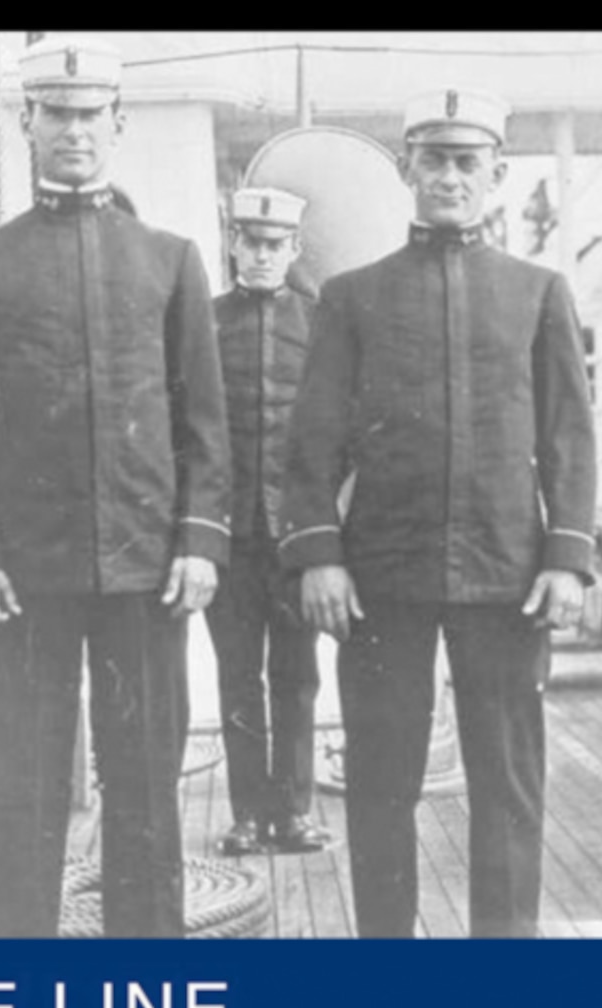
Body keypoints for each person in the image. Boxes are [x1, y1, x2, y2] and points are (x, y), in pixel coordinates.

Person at [0, 36, 230, 938]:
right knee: (23, 799)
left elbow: (203, 424)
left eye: (90, 113)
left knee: (143, 794)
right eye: (55, 113)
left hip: (145, 571)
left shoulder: (169, 260)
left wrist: (199, 539)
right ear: (26, 122)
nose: (73, 130)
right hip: (19, 577)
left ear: (117, 123)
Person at [278, 88, 597, 938]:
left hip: (508, 576)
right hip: (384, 575)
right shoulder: (352, 297)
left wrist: (566, 556)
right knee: (382, 782)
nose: (449, 178)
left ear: (493, 174)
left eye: (466, 163)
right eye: (433, 160)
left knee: (507, 783)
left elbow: (570, 433)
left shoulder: (537, 293)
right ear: (406, 169)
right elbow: (310, 444)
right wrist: (319, 554)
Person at [207, 187, 331, 857]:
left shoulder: (317, 324)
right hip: (228, 540)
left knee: (297, 675)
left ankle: (296, 810)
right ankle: (246, 815)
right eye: (249, 241)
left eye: (273, 244)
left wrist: (322, 532)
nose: (259, 255)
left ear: (293, 249)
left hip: (294, 543)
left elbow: (337, 438)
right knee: (236, 676)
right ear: (231, 243)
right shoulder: (201, 323)